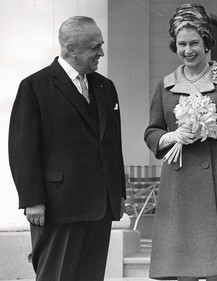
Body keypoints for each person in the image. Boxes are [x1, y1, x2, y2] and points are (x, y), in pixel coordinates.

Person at [144, 3, 217, 281]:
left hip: (216, 180)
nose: (188, 50)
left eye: (194, 42)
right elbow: (151, 132)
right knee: (185, 268)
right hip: (179, 183)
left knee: (216, 268)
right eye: (181, 44)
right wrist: (173, 136)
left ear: (207, 42)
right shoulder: (166, 85)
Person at [8, 16, 126, 281]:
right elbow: (22, 150)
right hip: (58, 206)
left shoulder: (106, 87)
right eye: (95, 47)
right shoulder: (34, 87)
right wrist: (32, 200)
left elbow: (113, 144)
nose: (102, 53)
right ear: (71, 48)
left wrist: (119, 191)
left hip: (101, 206)